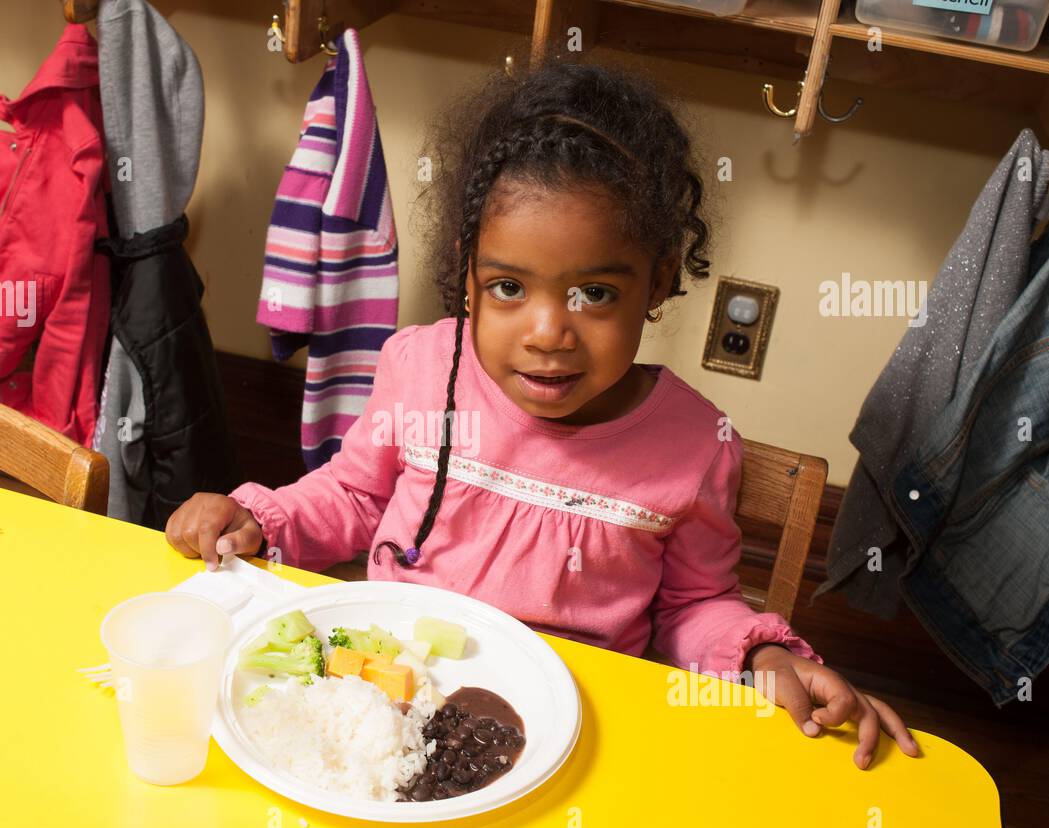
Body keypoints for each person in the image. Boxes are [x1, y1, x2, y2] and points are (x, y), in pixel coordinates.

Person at [167, 61, 919, 770]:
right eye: (508, 288)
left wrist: (761, 658)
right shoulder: (421, 368)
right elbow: (357, 496)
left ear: (657, 282)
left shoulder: (694, 446)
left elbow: (693, 606)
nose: (548, 332)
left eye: (594, 293)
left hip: (581, 734)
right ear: (467, 271)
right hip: (383, 711)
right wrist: (260, 519)